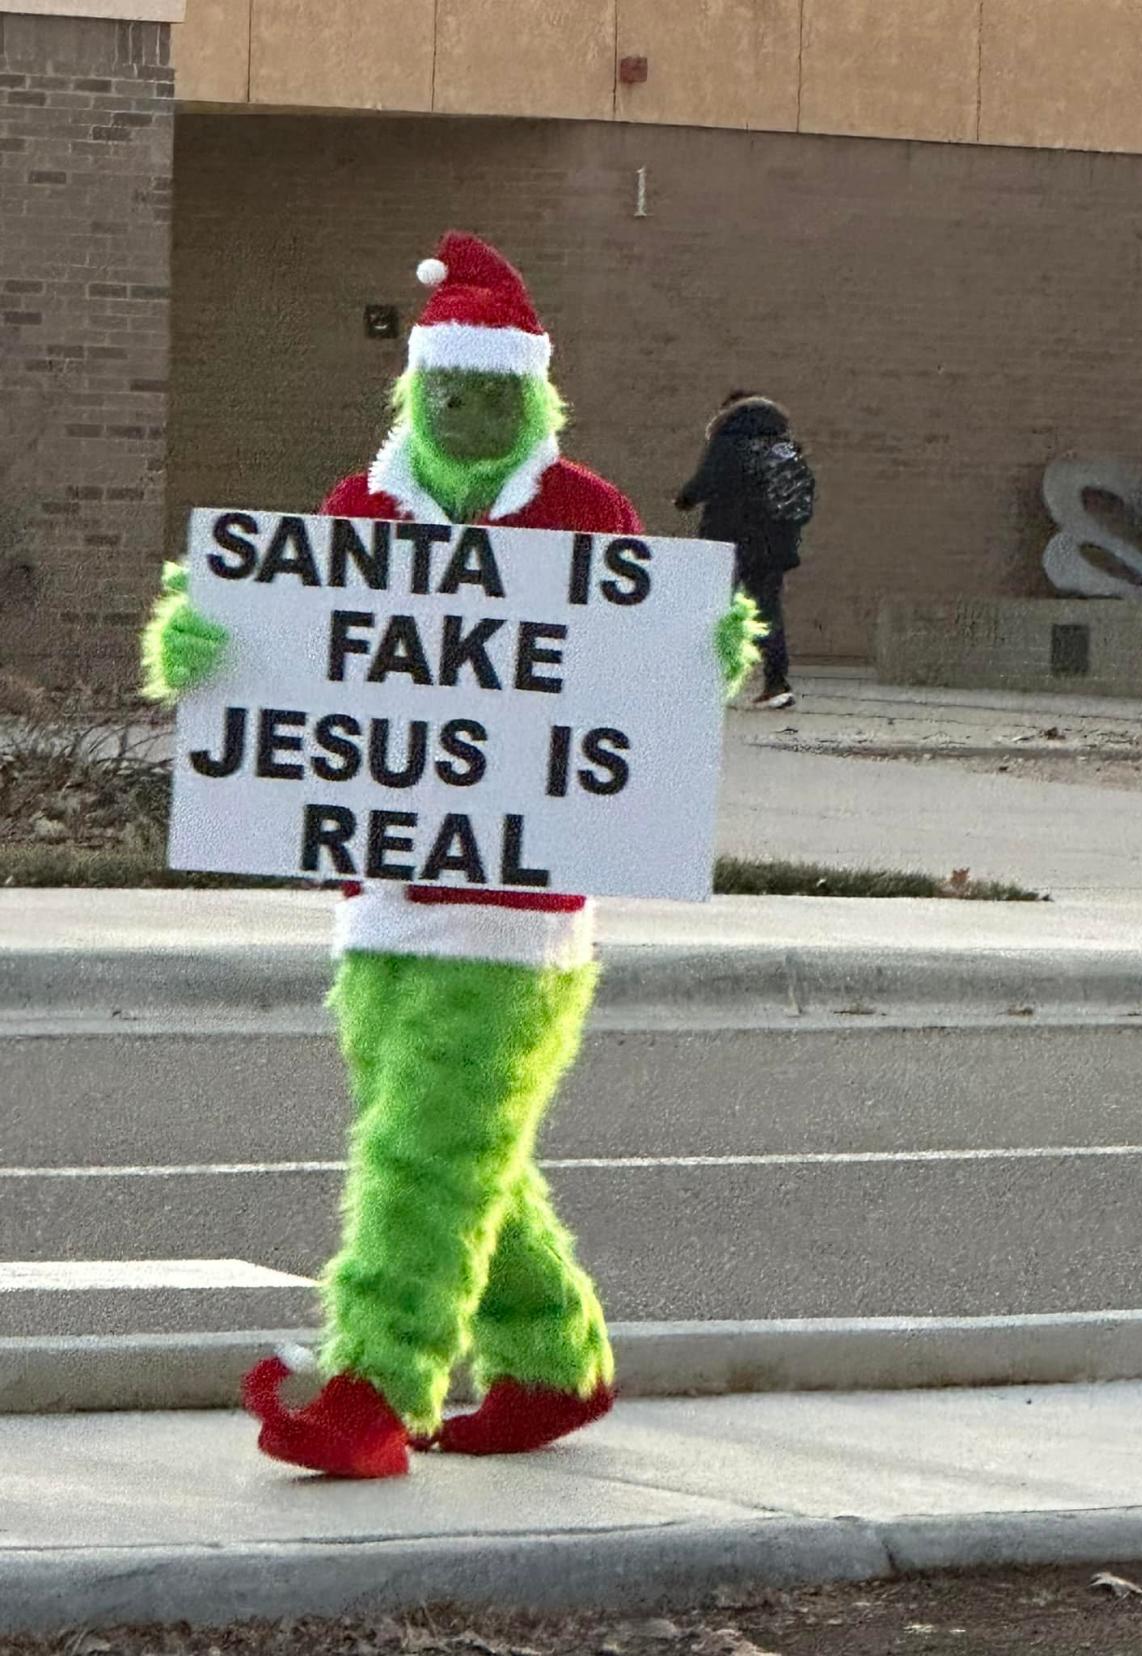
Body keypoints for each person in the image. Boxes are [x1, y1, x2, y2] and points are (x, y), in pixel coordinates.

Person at [141, 231, 762, 1479]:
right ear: (414, 391)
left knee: (419, 1152)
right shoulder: (359, 513)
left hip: (519, 919)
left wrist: (712, 653)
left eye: (493, 393)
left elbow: (646, 674)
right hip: (375, 903)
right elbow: (297, 666)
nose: (469, 412)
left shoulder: (587, 512)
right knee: (460, 1147)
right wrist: (203, 650)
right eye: (447, 391)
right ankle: (553, 1360)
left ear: (533, 397)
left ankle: (376, 1388)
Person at [675, 391, 815, 711]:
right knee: (767, 612)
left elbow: (705, 483)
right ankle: (776, 683)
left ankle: (705, 682)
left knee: (712, 608)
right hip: (774, 546)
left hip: (728, 541)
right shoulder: (786, 448)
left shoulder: (729, 444)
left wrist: (684, 499)